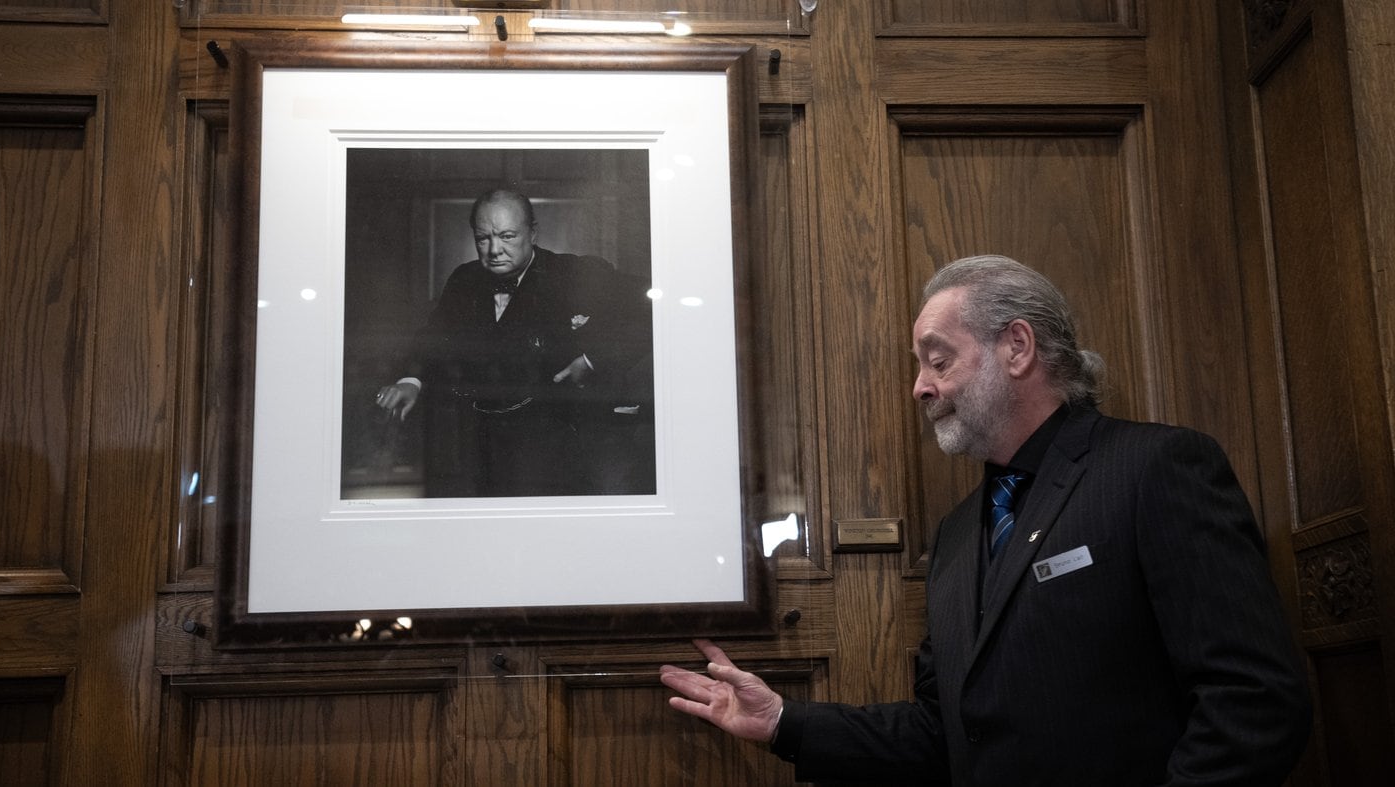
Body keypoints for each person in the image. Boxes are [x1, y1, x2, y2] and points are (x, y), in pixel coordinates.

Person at [660, 255, 1311, 785]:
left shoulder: (1155, 469)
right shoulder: (957, 533)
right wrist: (783, 721)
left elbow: (1252, 701)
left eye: (937, 359)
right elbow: (944, 732)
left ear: (1017, 347)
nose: (920, 386)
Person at [375, 188, 654, 498]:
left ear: (532, 233)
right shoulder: (464, 279)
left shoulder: (575, 272)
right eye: (483, 238)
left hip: (565, 439)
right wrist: (411, 380)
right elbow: (434, 335)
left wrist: (592, 359)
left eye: (507, 236)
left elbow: (652, 305)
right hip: (484, 439)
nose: (494, 250)